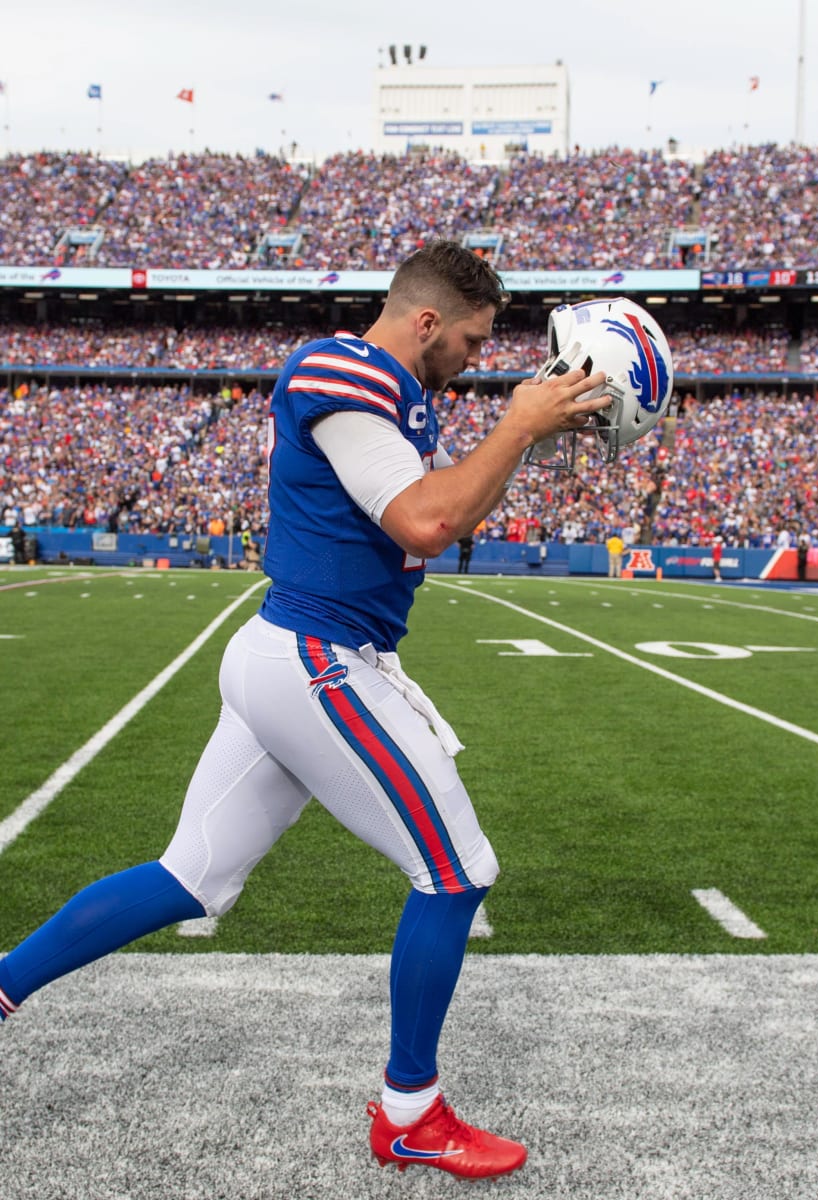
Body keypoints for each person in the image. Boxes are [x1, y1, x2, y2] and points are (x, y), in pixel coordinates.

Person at [0, 240, 610, 1180]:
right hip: (316, 659)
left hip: (291, 653)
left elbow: (452, 504)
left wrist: (526, 430)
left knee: (191, 874)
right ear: (424, 323)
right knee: (455, 872)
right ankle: (411, 1112)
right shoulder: (339, 369)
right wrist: (519, 428)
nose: (481, 359)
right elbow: (425, 523)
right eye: (475, 340)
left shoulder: (401, 388)